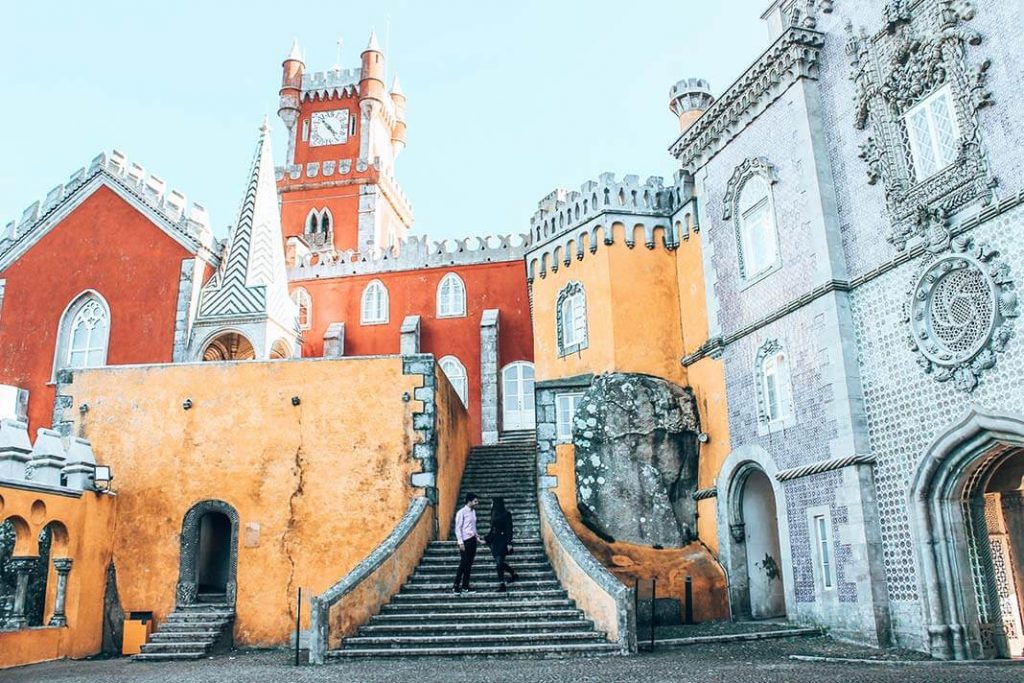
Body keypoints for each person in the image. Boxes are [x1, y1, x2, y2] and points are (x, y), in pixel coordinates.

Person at [485, 497, 519, 592]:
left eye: (492, 503)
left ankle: (502, 584)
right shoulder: (493, 513)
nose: (491, 505)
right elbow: (493, 529)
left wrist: (509, 542)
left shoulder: (506, 514)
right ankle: (513, 573)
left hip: (503, 541)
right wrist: (487, 539)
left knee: (499, 562)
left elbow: (509, 529)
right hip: (494, 542)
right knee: (499, 562)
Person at [452, 493, 482, 594]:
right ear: (469, 501)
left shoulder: (473, 512)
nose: (477, 503)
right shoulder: (461, 512)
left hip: (472, 540)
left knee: (469, 564)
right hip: (465, 541)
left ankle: (465, 586)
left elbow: (473, 527)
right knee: (463, 563)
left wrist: (477, 537)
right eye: (475, 501)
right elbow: (458, 528)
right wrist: (460, 542)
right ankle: (456, 585)